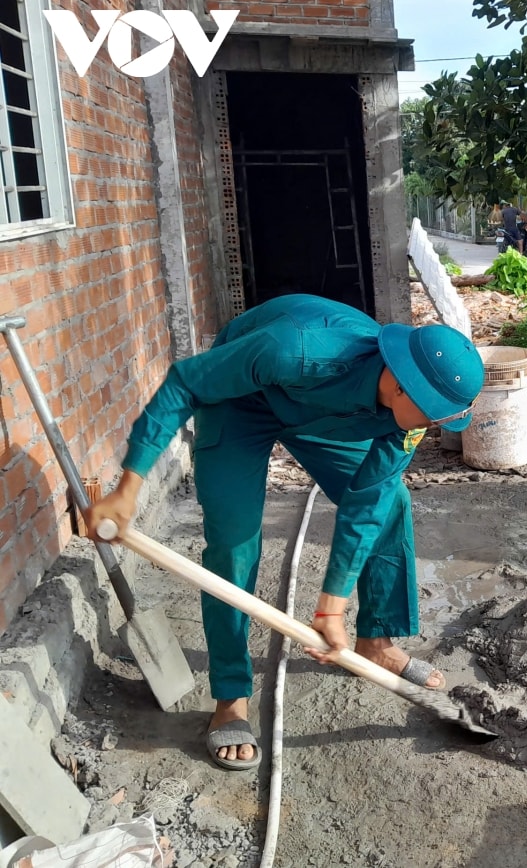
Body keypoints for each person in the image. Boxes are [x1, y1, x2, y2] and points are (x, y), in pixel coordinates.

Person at [84, 294, 484, 770]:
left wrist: (330, 608)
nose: (441, 426)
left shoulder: (404, 422)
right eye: (436, 414)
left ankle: (376, 642)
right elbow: (184, 383)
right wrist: (130, 485)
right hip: (242, 399)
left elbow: (366, 503)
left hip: (324, 416)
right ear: (400, 387)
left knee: (392, 503)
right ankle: (231, 695)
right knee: (234, 543)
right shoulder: (292, 348)